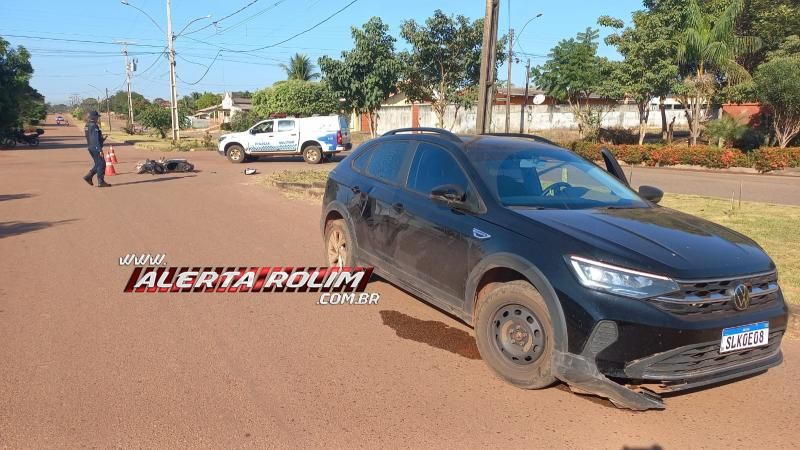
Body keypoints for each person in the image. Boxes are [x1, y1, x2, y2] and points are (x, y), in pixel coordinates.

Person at [83, 110, 111, 187]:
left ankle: (89, 177)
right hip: (95, 148)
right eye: (97, 117)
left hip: (91, 147)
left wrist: (102, 139)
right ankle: (100, 181)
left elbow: (92, 138)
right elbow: (94, 139)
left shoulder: (87, 125)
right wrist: (99, 149)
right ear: (93, 117)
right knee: (102, 164)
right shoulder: (94, 126)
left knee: (98, 164)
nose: (98, 118)